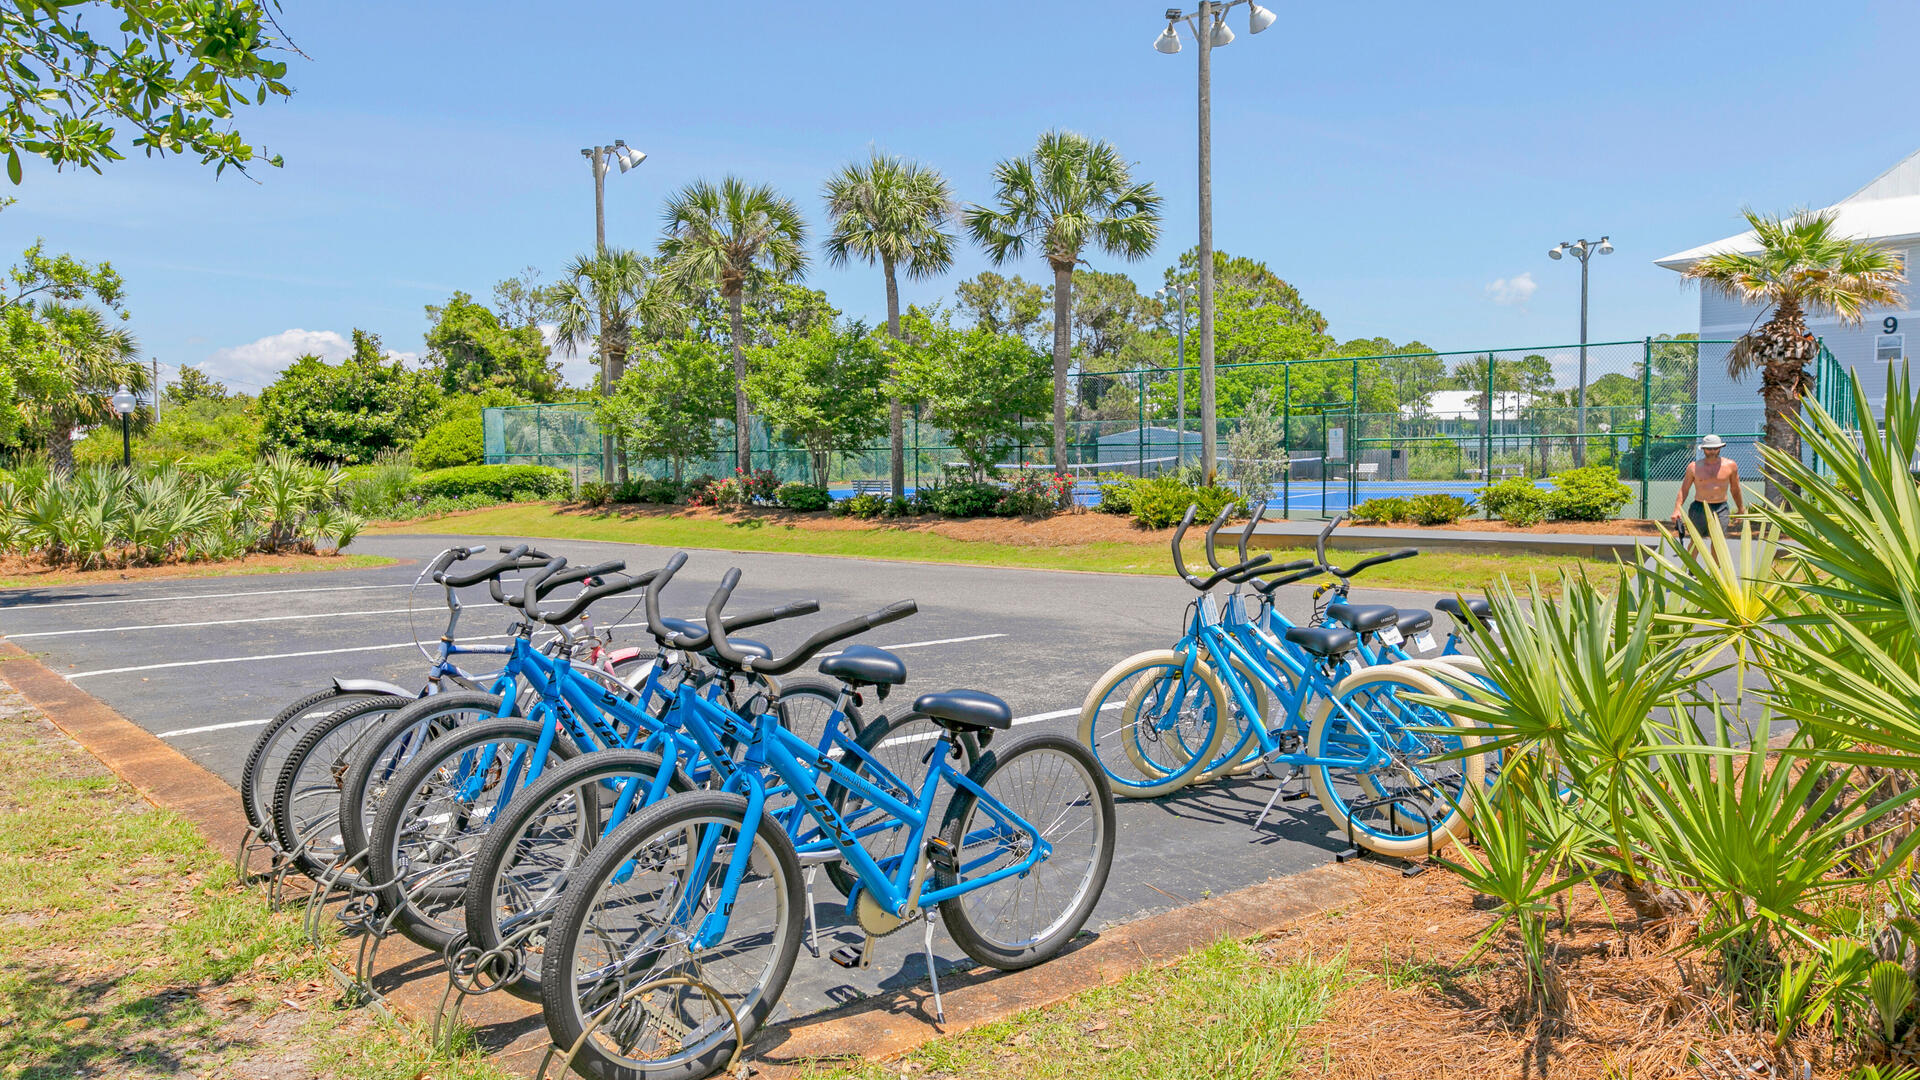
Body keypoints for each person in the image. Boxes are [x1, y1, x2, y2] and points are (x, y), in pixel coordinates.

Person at [1669, 434, 1746, 545]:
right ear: (1703, 449)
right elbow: (1684, 490)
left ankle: (1717, 563)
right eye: (1709, 448)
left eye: (1716, 448)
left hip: (1721, 508)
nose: (1712, 451)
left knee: (1718, 543)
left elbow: (1735, 489)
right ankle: (1689, 563)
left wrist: (1740, 509)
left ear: (1720, 448)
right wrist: (1677, 510)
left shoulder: (1730, 465)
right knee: (1696, 542)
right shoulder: (1693, 467)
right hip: (1699, 508)